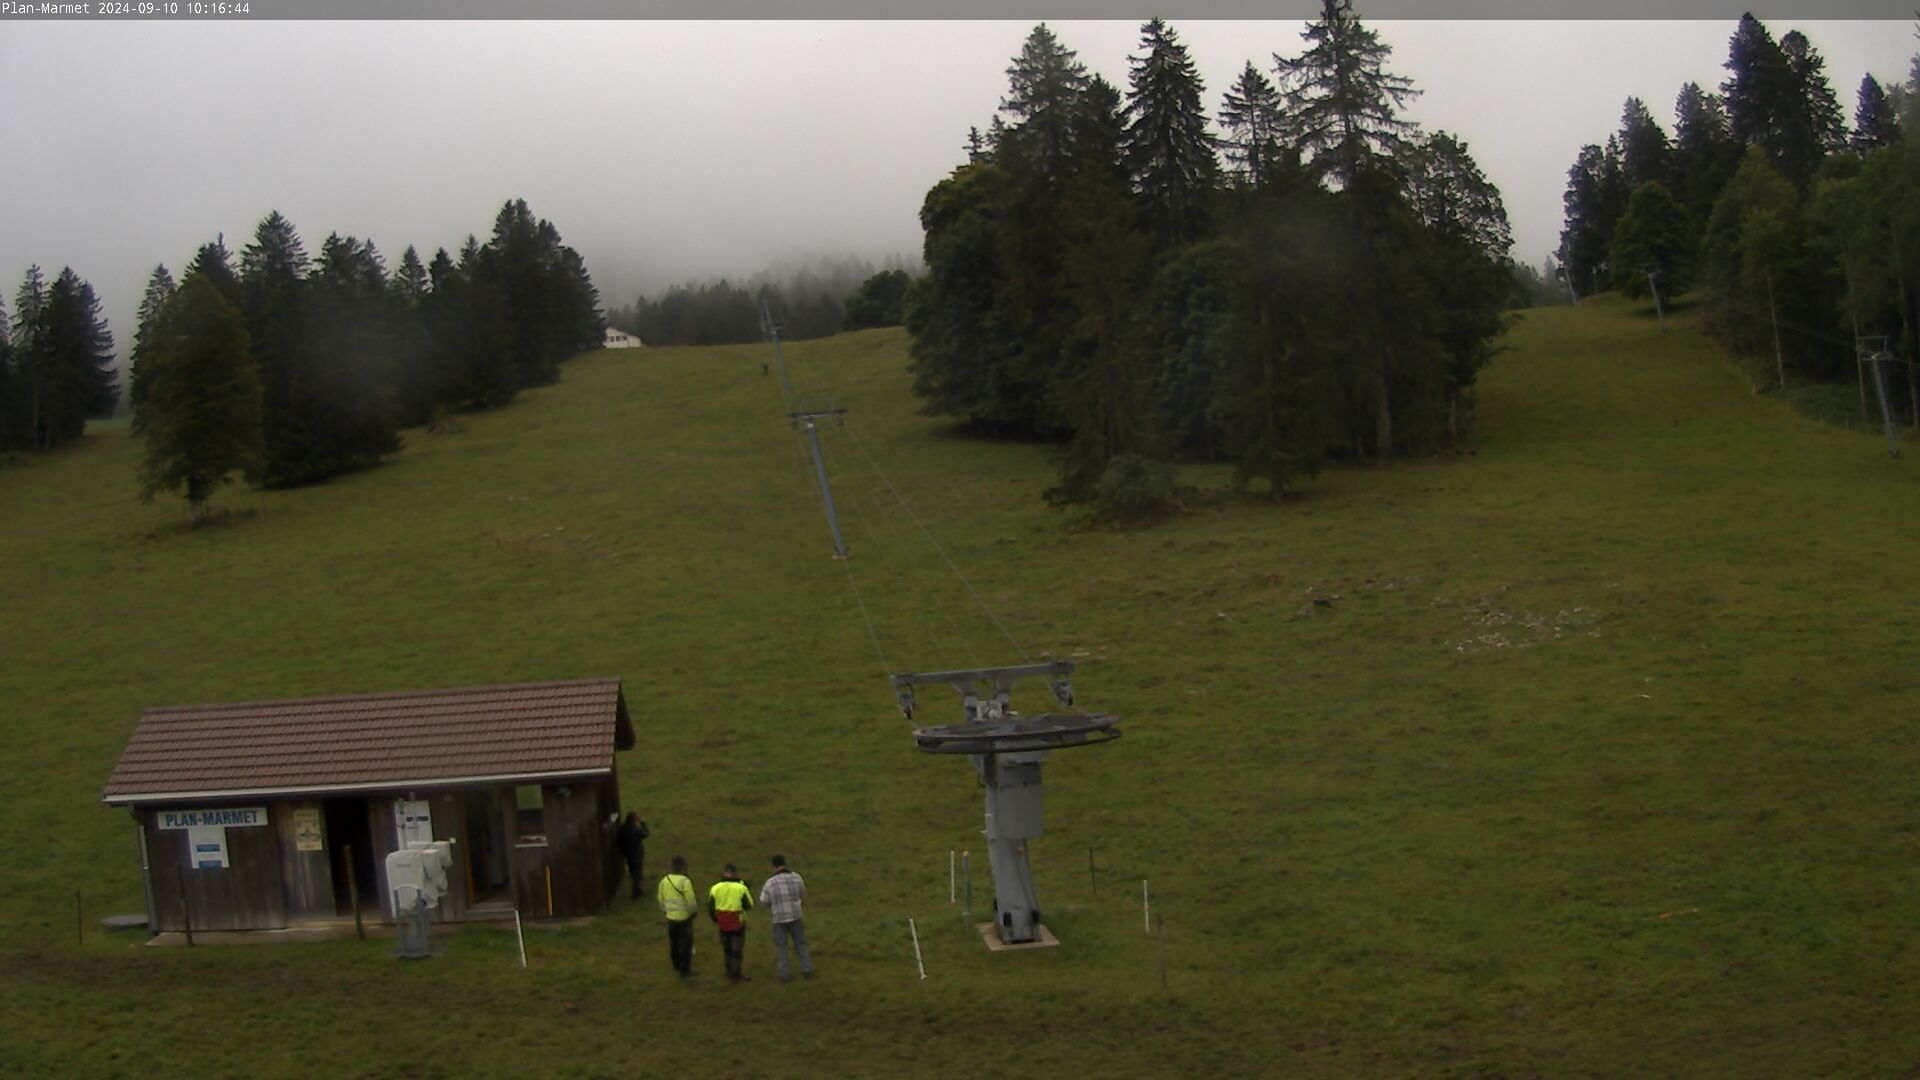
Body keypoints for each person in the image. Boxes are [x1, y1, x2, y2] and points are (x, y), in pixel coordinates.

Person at [758, 854, 813, 982]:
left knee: (782, 947)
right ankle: (807, 969)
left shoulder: (770, 883)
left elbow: (763, 902)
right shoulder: (796, 878)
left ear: (773, 866)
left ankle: (785, 974)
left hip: (779, 918)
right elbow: (803, 894)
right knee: (801, 944)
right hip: (796, 915)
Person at [707, 863, 754, 982]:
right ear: (735, 873)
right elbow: (748, 905)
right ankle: (736, 974)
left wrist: (717, 920)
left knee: (726, 949)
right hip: (737, 922)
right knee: (737, 950)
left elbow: (711, 909)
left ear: (724, 873)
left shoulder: (715, 888)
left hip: (722, 923)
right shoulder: (741, 888)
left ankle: (728, 971)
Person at [656, 855, 698, 978]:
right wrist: (693, 912)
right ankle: (685, 970)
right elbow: (690, 900)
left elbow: (660, 898)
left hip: (671, 917)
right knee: (686, 944)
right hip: (684, 918)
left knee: (674, 942)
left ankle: (676, 964)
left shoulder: (665, 880)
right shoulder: (685, 881)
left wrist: (665, 911)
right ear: (683, 867)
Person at [615, 812, 650, 899]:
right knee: (637, 874)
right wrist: (643, 823)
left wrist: (623, 852)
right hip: (637, 854)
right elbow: (646, 833)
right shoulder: (634, 830)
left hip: (628, 854)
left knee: (633, 872)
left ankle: (638, 889)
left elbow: (618, 841)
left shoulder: (623, 829)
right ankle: (636, 893)